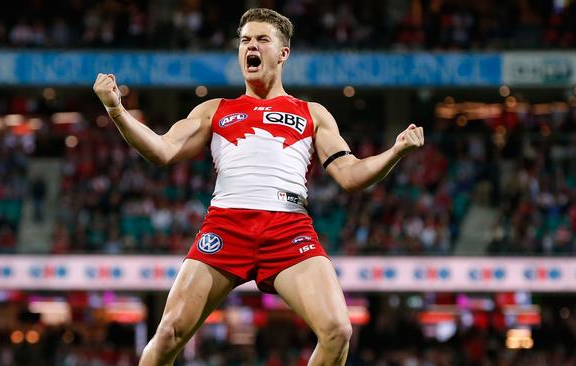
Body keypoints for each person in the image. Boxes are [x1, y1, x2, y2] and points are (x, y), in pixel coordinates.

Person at [93, 8, 424, 366]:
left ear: (283, 53)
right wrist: (117, 111)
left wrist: (396, 151)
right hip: (226, 226)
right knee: (168, 334)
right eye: (245, 40)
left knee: (338, 331)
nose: (251, 46)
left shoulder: (312, 113)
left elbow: (349, 174)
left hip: (288, 228)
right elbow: (162, 150)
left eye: (262, 39)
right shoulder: (214, 110)